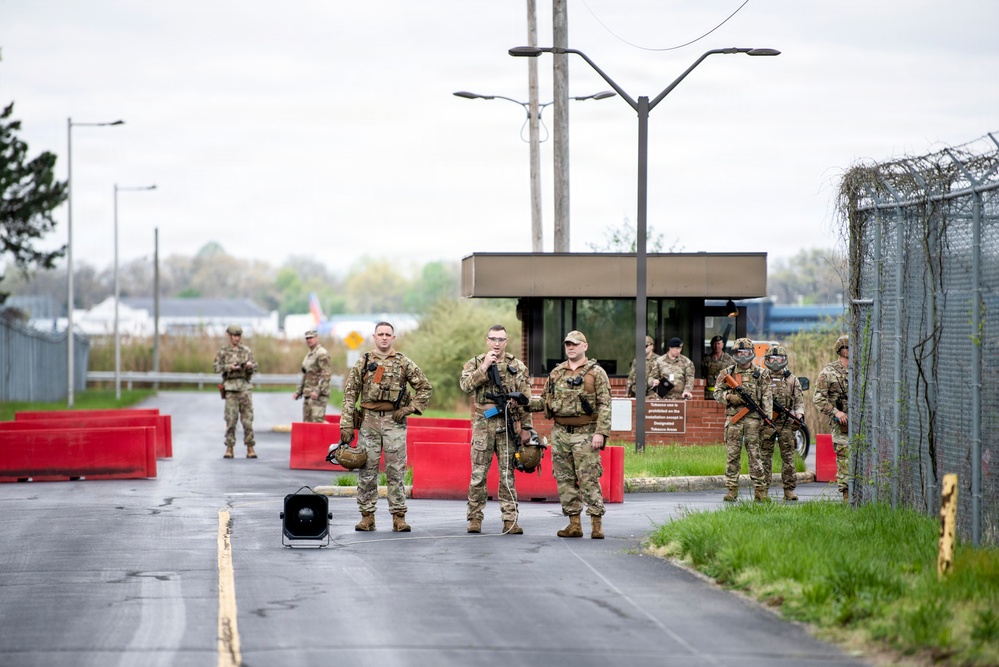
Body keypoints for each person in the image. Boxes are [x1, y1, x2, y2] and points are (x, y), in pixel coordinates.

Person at [339, 322, 432, 532]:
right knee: (367, 469)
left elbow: (425, 387)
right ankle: (367, 517)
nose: (383, 338)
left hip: (394, 421)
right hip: (369, 421)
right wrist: (346, 424)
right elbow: (350, 393)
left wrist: (410, 408)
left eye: (387, 334)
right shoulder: (363, 362)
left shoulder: (403, 363)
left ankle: (399, 517)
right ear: (374, 337)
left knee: (396, 470)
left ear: (393, 337)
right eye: (380, 334)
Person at [530, 330, 611, 539]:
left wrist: (601, 432)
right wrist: (524, 402)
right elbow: (544, 400)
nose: (571, 347)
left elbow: (605, 405)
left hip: (586, 432)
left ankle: (596, 524)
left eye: (575, 344)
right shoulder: (557, 373)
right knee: (564, 478)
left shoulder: (596, 373)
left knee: (588, 478)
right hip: (560, 433)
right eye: (568, 344)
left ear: (585, 346)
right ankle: (574, 524)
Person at [459, 325, 533, 535]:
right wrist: (484, 367)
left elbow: (526, 399)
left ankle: (510, 520)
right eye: (493, 339)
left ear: (506, 342)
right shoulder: (475, 363)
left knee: (507, 475)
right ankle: (474, 518)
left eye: (501, 339)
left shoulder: (516, 366)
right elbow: (465, 386)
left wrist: (526, 428)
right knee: (478, 475)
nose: (497, 343)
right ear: (487, 340)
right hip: (484, 423)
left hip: (508, 423)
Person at [714, 337, 772, 501]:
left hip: (754, 421)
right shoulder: (727, 373)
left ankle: (760, 491)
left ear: (752, 353)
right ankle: (732, 490)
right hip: (734, 421)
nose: (743, 355)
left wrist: (767, 421)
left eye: (746, 352)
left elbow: (767, 399)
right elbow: (717, 393)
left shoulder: (761, 373)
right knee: (732, 456)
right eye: (739, 352)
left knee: (756, 456)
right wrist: (729, 397)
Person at [760, 344, 804, 501]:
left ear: (784, 360)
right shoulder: (761, 378)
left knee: (788, 458)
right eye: (772, 358)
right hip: (767, 423)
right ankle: (762, 490)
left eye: (779, 358)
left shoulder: (792, 380)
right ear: (767, 360)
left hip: (785, 424)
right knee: (764, 457)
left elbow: (799, 401)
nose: (776, 361)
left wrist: (799, 415)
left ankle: (789, 490)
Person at [813, 334, 850, 502]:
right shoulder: (828, 372)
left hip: (863, 423)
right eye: (848, 347)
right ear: (840, 350)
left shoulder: (863, 369)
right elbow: (818, 398)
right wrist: (836, 412)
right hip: (842, 424)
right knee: (844, 458)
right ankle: (846, 495)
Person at [213, 323, 257, 459]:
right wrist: (229, 367)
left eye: (238, 336)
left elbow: (255, 367)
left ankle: (250, 447)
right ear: (229, 336)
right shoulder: (223, 351)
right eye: (234, 336)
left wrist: (249, 366)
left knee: (247, 419)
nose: (237, 338)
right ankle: (229, 447)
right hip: (231, 389)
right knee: (231, 420)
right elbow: (216, 367)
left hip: (244, 387)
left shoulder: (246, 350)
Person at [292, 329, 332, 423]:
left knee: (317, 422)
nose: (309, 340)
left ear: (317, 338)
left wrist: (317, 391)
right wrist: (299, 392)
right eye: (307, 338)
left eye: (311, 337)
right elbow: (306, 375)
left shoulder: (321, 353)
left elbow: (326, 375)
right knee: (307, 424)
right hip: (308, 394)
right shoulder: (309, 355)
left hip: (318, 396)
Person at [625, 335, 664, 400]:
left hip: (652, 394)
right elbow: (631, 377)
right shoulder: (637, 360)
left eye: (645, 346)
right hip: (638, 393)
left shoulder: (659, 360)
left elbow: (664, 378)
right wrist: (627, 392)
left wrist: (659, 394)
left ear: (651, 346)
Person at [702, 335, 735, 400]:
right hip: (708, 393)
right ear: (711, 345)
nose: (716, 346)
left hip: (724, 393)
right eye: (714, 344)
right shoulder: (706, 360)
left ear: (722, 345)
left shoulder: (729, 360)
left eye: (718, 344)